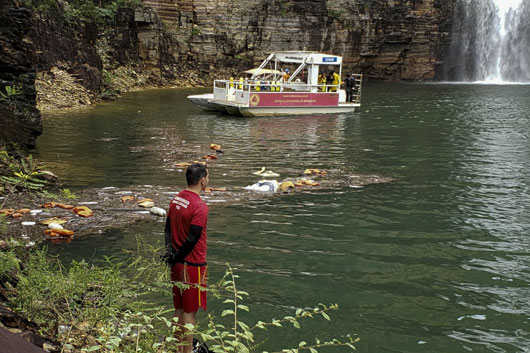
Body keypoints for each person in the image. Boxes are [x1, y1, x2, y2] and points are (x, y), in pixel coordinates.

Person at [165, 163, 209, 353]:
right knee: (190, 312)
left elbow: (167, 228)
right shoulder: (199, 205)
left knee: (179, 309)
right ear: (203, 180)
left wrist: (171, 254)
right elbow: (193, 237)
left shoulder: (176, 199)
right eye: (208, 177)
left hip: (176, 263)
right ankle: (187, 351)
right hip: (193, 265)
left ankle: (178, 349)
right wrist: (179, 255)